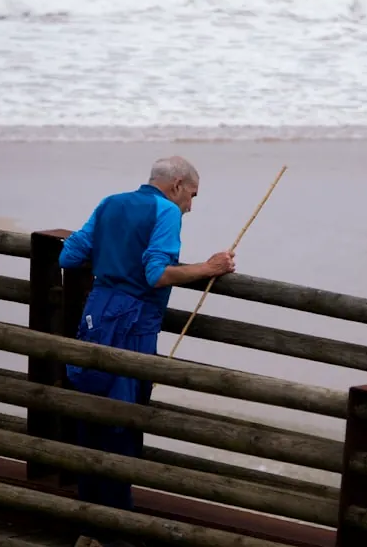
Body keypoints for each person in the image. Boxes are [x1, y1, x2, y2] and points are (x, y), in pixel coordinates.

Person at [58, 156, 235, 547]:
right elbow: (157, 273)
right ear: (175, 186)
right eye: (192, 194)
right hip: (134, 323)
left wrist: (115, 252)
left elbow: (68, 256)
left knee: (91, 414)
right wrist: (208, 268)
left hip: (95, 314)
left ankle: (90, 526)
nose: (191, 205)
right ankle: (117, 531)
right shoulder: (166, 211)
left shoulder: (110, 203)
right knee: (123, 420)